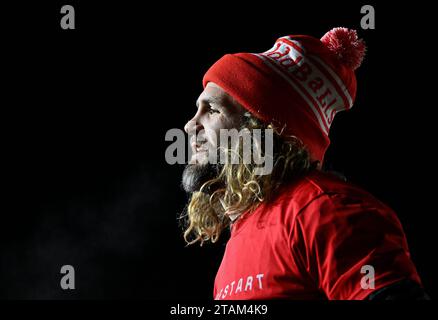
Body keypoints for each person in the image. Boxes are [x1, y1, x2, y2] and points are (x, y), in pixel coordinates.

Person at [180, 27, 428, 300]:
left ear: (261, 130)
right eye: (197, 110)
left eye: (212, 109)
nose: (190, 125)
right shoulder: (237, 242)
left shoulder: (326, 210)